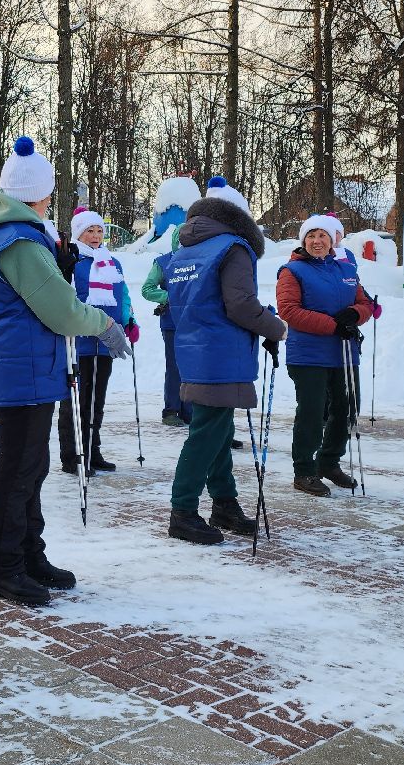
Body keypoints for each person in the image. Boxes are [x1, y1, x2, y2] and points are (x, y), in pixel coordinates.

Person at [0, 136, 130, 606]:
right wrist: (103, 324)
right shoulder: (18, 241)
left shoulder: (5, 234)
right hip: (24, 367)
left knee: (30, 467)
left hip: (25, 364)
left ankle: (27, 553)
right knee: (19, 469)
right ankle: (4, 566)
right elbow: (61, 312)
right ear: (41, 194)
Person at [164, 178, 286, 545]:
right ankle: (183, 510)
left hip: (194, 347)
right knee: (207, 432)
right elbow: (241, 305)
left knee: (218, 429)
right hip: (222, 350)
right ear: (239, 216)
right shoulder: (234, 247)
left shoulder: (187, 249)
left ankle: (224, 501)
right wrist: (275, 327)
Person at [276, 214, 374, 496]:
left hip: (343, 352)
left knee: (346, 408)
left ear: (333, 240)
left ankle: (329, 462)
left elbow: (365, 303)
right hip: (308, 354)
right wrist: (334, 325)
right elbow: (289, 311)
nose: (316, 241)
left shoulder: (344, 269)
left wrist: (355, 314)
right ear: (303, 240)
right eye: (311, 236)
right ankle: (304, 469)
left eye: (322, 236)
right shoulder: (291, 271)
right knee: (312, 411)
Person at [58, 207, 137, 475]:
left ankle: (92, 450)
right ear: (79, 233)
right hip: (78, 341)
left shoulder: (112, 262)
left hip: (107, 340)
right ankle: (73, 456)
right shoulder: (71, 261)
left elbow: (122, 294)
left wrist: (129, 320)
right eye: (89, 230)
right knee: (76, 400)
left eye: (99, 230)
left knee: (96, 399)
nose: (95, 235)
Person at [142, 223, 191, 427]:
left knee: (193, 367)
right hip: (172, 322)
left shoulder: (201, 261)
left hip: (195, 322)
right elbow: (147, 289)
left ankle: (190, 410)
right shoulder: (163, 262)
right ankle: (171, 410)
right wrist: (171, 297)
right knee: (175, 366)